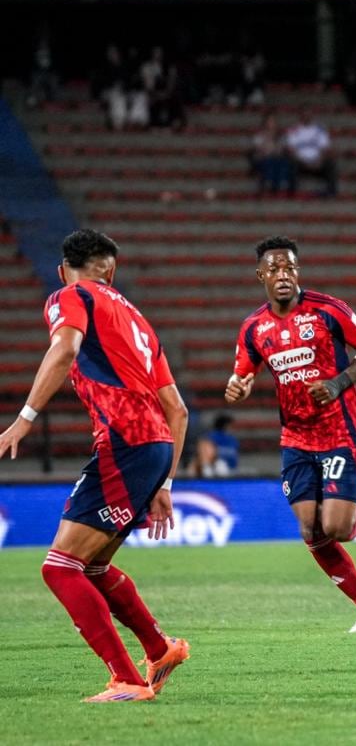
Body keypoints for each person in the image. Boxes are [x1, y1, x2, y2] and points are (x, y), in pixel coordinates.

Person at [0, 229, 190, 702]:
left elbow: (63, 348)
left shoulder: (70, 295)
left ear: (64, 269)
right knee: (94, 566)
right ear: (113, 270)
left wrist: (23, 420)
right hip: (154, 445)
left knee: (60, 567)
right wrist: (164, 479)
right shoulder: (139, 322)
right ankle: (159, 648)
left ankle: (126, 679)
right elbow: (179, 409)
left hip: (125, 442)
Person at [224, 236, 356, 632]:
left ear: (298, 271)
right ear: (261, 276)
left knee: (340, 529)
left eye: (289, 267)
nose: (283, 275)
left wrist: (339, 382)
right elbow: (244, 372)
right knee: (311, 529)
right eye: (274, 269)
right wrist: (239, 385)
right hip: (295, 437)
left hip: (339, 429)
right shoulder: (254, 327)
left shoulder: (327, 310)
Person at [285, 110, 338, 197]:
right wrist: (304, 162)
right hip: (301, 163)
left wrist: (318, 161)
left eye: (309, 113)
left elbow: (325, 148)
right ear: (300, 115)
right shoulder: (293, 129)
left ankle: (331, 192)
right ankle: (292, 193)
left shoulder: (320, 129)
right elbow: (291, 150)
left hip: (317, 163)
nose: (307, 116)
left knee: (331, 163)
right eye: (305, 113)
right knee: (291, 162)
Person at [250, 113, 294, 196]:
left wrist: (275, 149)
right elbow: (259, 149)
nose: (271, 124)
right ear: (265, 123)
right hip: (265, 158)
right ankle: (268, 182)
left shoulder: (280, 136)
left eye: (273, 121)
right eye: (269, 121)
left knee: (283, 161)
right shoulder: (259, 136)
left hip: (277, 157)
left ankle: (282, 183)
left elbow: (282, 148)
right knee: (269, 161)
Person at [192, 413, 239, 478]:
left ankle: (207, 468)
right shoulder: (212, 436)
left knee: (220, 465)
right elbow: (203, 448)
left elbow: (232, 455)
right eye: (231, 425)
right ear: (226, 425)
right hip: (214, 465)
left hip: (227, 467)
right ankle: (206, 468)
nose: (232, 428)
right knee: (217, 463)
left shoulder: (231, 438)